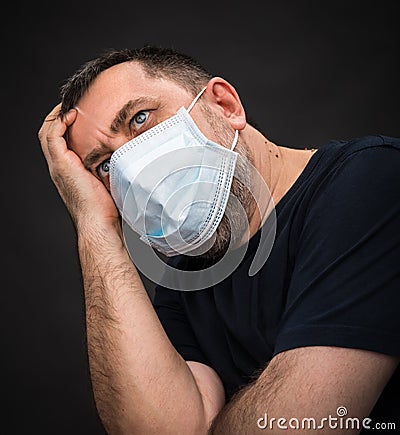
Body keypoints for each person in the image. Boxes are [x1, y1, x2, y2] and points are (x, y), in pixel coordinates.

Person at [38, 46, 399, 434]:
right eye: (105, 165)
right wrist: (96, 225)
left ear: (225, 105)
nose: (134, 168)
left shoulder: (374, 180)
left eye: (140, 118)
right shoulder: (188, 275)